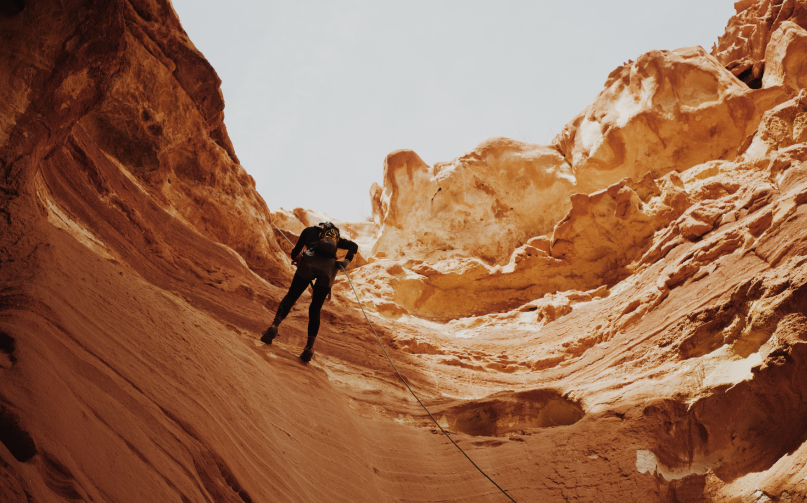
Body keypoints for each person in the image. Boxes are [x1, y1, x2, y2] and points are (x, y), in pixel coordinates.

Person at [261, 221, 358, 362]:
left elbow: (294, 254)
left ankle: (274, 325)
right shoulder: (336, 240)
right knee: (315, 309)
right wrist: (345, 262)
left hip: (309, 262)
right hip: (328, 269)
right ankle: (309, 348)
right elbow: (354, 246)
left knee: (291, 296)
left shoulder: (309, 231)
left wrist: (299, 255)